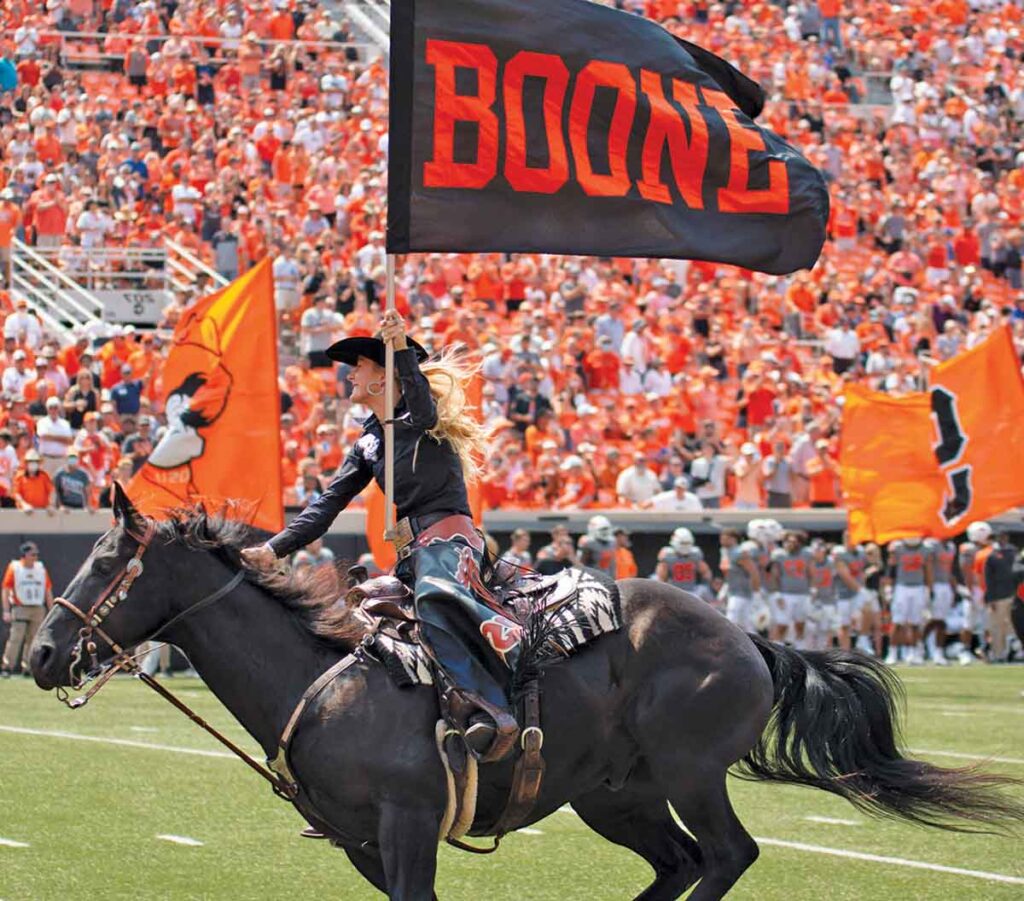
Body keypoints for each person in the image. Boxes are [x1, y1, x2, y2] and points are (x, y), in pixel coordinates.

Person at [241, 311, 516, 762]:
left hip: (449, 543)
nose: (351, 374)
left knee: (432, 600)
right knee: (361, 617)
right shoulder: (369, 440)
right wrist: (273, 549)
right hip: (413, 552)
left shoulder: (424, 417)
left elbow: (423, 407)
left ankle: (485, 709)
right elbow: (326, 505)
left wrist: (401, 350)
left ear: (384, 376)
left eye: (361, 366)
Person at [1, 541, 53, 677]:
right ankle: (7, 666)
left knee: (33, 640)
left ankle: (28, 667)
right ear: (24, 555)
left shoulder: (40, 569)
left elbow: (47, 590)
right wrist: (6, 610)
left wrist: (51, 608)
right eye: (32, 554)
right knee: (15, 638)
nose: (35, 557)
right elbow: (6, 590)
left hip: (37, 608)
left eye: (36, 555)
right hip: (20, 607)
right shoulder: (15, 568)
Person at [886, 536, 932, 665]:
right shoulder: (898, 548)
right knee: (897, 621)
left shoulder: (925, 549)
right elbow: (891, 569)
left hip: (918, 586)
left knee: (916, 622)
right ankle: (892, 652)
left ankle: (914, 653)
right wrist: (889, 588)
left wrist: (929, 588)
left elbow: (927, 570)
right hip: (902, 587)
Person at [769, 531, 812, 647]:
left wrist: (813, 590)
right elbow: (774, 575)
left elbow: (810, 572)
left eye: (793, 541)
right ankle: (777, 649)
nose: (790, 544)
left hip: (803, 594)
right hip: (785, 594)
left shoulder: (806, 554)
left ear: (800, 543)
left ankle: (800, 650)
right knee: (781, 624)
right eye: (787, 541)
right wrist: (777, 594)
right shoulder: (779, 555)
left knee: (800, 624)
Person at [983, 532, 1018, 663]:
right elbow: (989, 579)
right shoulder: (992, 555)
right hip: (998, 595)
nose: (1003, 539)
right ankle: (998, 654)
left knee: (1011, 626)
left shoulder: (1013, 552)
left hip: (1013, 594)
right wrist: (991, 598)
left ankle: (1011, 653)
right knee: (997, 626)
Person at [923, 536, 956, 665]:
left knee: (942, 621)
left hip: (945, 585)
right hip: (934, 584)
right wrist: (930, 587)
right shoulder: (932, 544)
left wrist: (953, 587)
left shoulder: (951, 546)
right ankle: (920, 646)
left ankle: (938, 652)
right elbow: (928, 567)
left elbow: (949, 570)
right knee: (933, 620)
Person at [719, 528, 761, 631]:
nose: (722, 541)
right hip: (733, 592)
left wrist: (756, 593)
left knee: (732, 623)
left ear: (733, 539)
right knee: (744, 626)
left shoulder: (739, 552)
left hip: (742, 594)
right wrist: (725, 589)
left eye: (726, 538)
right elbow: (729, 574)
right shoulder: (725, 552)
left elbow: (754, 572)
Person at [831, 533, 866, 653]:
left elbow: (864, 569)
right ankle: (845, 653)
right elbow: (845, 575)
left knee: (860, 622)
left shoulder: (861, 552)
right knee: (844, 625)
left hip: (857, 592)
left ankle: (861, 647)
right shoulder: (840, 553)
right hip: (843, 594)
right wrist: (861, 590)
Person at [655, 528, 712, 597]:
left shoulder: (695, 555)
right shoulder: (667, 555)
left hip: (689, 591)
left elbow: (705, 572)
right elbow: (706, 573)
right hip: (677, 591)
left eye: (686, 543)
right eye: (683, 543)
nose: (685, 546)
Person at [577, 515, 617, 579]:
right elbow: (580, 564)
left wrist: (614, 578)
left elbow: (612, 564)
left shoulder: (612, 541)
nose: (605, 531)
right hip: (592, 578)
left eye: (606, 529)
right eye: (602, 529)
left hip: (607, 577)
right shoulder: (587, 542)